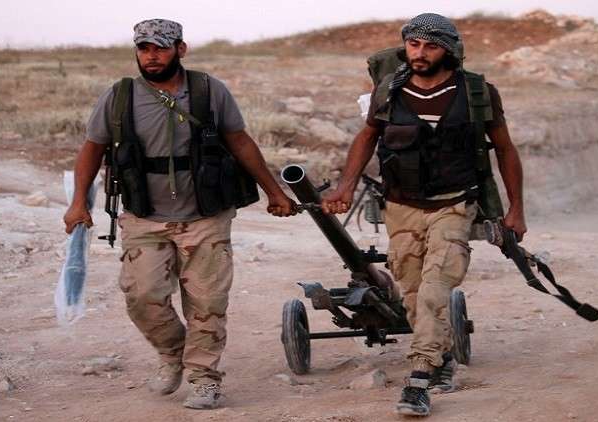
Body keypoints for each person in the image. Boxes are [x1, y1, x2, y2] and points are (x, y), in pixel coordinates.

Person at [63, 18, 295, 410]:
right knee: (142, 297)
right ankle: (173, 354)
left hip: (205, 216)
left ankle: (204, 379)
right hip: (144, 216)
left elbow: (239, 141)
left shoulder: (209, 90)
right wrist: (77, 203)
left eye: (160, 48)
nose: (151, 56)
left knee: (207, 302)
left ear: (180, 49)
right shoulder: (119, 96)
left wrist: (275, 192)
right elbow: (92, 147)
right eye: (144, 49)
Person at [322, 13, 527, 417]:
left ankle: (419, 379)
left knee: (436, 287)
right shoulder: (389, 89)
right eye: (413, 44)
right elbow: (368, 136)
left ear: (448, 50)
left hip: (454, 204)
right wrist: (345, 185)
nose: (419, 53)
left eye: (430, 46)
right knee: (414, 294)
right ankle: (442, 356)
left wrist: (515, 209)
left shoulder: (477, 92)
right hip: (401, 206)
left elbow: (504, 148)